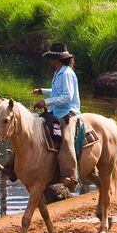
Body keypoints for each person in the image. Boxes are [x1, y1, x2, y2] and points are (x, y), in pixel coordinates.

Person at [38, 44, 84, 195]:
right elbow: (56, 92)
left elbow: (67, 97)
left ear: (57, 59)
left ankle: (70, 177)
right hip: (57, 112)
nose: (50, 61)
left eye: (51, 58)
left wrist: (46, 102)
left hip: (68, 112)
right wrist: (42, 91)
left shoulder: (66, 73)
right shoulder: (58, 72)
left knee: (65, 139)